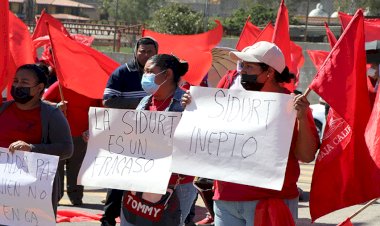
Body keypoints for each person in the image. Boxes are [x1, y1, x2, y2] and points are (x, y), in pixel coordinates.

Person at [182, 41, 319, 225]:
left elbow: (307, 155)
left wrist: (301, 118)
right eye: (241, 65)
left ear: (269, 72)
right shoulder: (228, 95)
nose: (242, 71)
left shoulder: (293, 105)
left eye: (249, 66)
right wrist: (194, 107)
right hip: (226, 198)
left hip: (270, 201)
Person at [120, 54, 197, 226]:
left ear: (167, 74)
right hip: (141, 180)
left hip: (175, 185)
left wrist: (193, 112)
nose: (144, 76)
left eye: (149, 71)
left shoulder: (188, 102)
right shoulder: (145, 102)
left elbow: (197, 140)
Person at [0, 64, 73, 216]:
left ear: (40, 87)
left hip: (32, 197)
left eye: (24, 82)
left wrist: (32, 149)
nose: (18, 85)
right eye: (15, 81)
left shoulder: (51, 115)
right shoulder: (3, 109)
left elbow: (66, 149)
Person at [100, 36, 159, 226]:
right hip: (126, 136)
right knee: (119, 179)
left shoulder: (163, 75)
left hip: (152, 137)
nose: (146, 55)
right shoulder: (122, 73)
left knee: (146, 180)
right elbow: (108, 100)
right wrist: (143, 104)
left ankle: (140, 217)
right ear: (135, 51)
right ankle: (109, 219)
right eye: (142, 51)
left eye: (150, 52)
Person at [43, 81, 103, 206]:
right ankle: (55, 197)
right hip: (57, 134)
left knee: (77, 168)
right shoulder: (60, 84)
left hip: (81, 136)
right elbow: (42, 101)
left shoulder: (92, 87)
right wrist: (56, 105)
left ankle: (76, 197)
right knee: (56, 168)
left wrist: (92, 128)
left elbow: (101, 109)